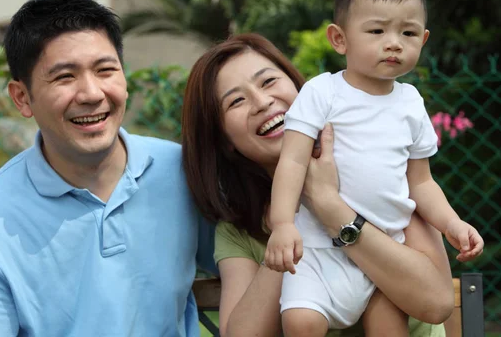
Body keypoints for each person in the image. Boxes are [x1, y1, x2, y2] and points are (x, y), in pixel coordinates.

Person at [0, 0, 215, 336]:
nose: (91, 94)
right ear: (22, 97)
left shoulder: (183, 171)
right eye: (64, 76)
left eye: (105, 70)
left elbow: (251, 253)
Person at [181, 32, 455, 337]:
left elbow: (437, 302)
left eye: (268, 81)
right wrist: (293, 219)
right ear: (225, 141)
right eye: (236, 101)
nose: (262, 102)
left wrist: (328, 205)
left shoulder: (384, 176)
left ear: (305, 90)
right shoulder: (238, 230)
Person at [264, 0, 484, 336]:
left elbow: (422, 183)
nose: (394, 42)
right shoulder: (322, 92)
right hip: (318, 251)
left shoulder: (411, 103)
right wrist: (283, 224)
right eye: (378, 30)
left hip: (383, 251)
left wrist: (451, 223)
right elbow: (293, 162)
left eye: (408, 32)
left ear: (423, 40)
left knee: (388, 328)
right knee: (301, 322)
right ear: (340, 39)